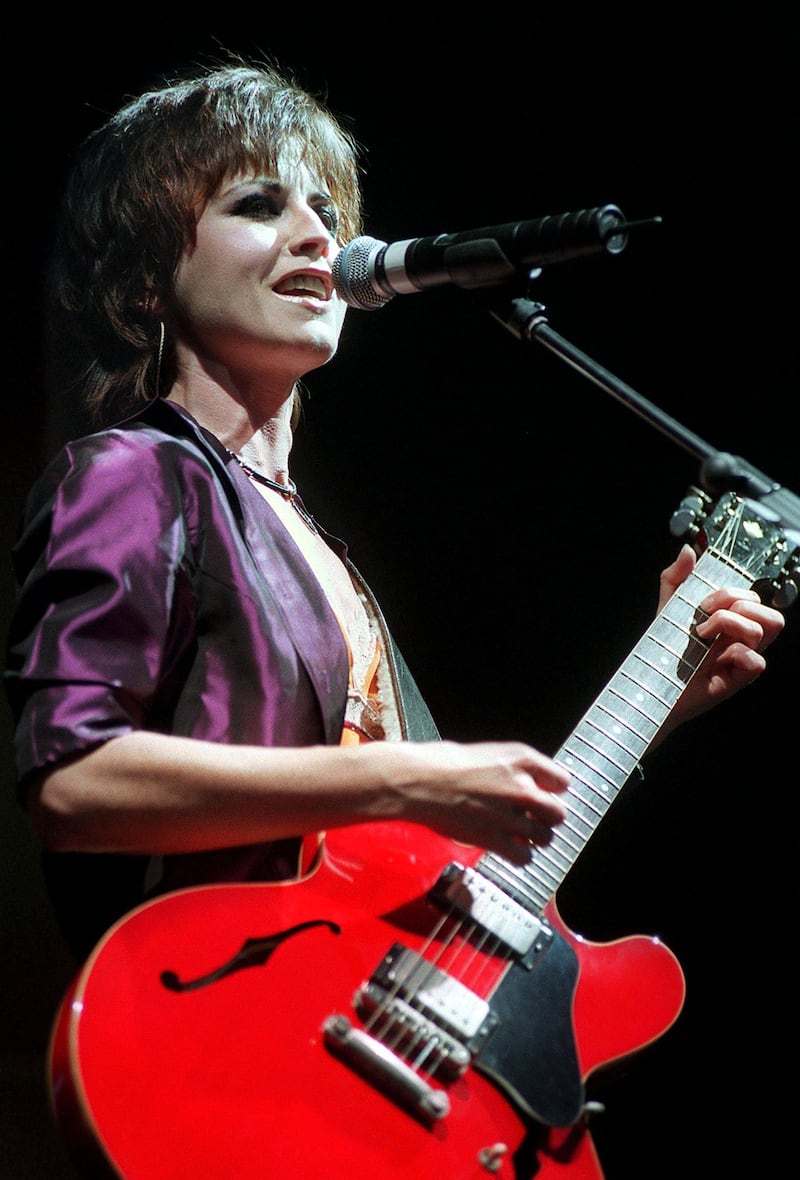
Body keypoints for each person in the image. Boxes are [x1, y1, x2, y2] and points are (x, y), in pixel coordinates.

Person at [5, 60, 783, 999]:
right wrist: (399, 778)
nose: (319, 238)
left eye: (329, 212)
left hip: (346, 1018)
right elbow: (72, 780)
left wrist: (661, 706)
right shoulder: (137, 473)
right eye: (260, 205)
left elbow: (438, 853)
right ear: (145, 284)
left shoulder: (312, 544)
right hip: (218, 1011)